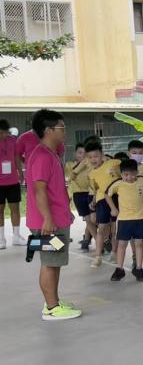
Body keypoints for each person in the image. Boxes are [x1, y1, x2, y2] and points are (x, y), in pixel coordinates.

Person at [25, 109, 81, 320]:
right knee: (49, 262)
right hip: (47, 222)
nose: (64, 131)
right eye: (61, 127)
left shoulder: (51, 153)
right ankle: (51, 308)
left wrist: (65, 213)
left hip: (56, 218)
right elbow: (39, 190)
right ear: (49, 130)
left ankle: (53, 301)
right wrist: (48, 219)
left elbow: (54, 189)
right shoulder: (41, 156)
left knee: (54, 261)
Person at [104, 158, 143, 282]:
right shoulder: (118, 183)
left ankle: (139, 268)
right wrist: (113, 209)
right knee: (122, 245)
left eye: (132, 174)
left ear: (136, 172)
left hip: (140, 218)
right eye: (126, 175)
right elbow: (106, 195)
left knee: (139, 244)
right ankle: (119, 269)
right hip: (124, 219)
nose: (129, 177)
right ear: (121, 174)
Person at [87, 145, 120, 268]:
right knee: (101, 228)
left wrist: (116, 171)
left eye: (96, 156)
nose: (93, 159)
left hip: (116, 198)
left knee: (115, 229)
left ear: (102, 154)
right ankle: (97, 256)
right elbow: (96, 190)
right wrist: (94, 202)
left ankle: (114, 253)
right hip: (101, 200)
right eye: (90, 157)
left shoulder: (113, 162)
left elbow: (125, 174)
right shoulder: (91, 174)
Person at [0, 119, 27, 248]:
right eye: (1, 133)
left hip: (12, 181)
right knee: (0, 211)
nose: (4, 135)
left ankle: (16, 236)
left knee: (15, 209)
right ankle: (1, 239)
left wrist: (21, 173)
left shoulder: (12, 140)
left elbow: (17, 157)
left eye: (5, 132)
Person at [65, 141, 95, 252]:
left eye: (85, 153)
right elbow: (70, 177)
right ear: (75, 154)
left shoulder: (91, 165)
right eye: (79, 152)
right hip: (78, 195)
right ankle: (94, 240)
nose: (82, 155)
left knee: (92, 220)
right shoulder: (69, 165)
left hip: (91, 194)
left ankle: (87, 239)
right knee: (88, 219)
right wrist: (80, 166)